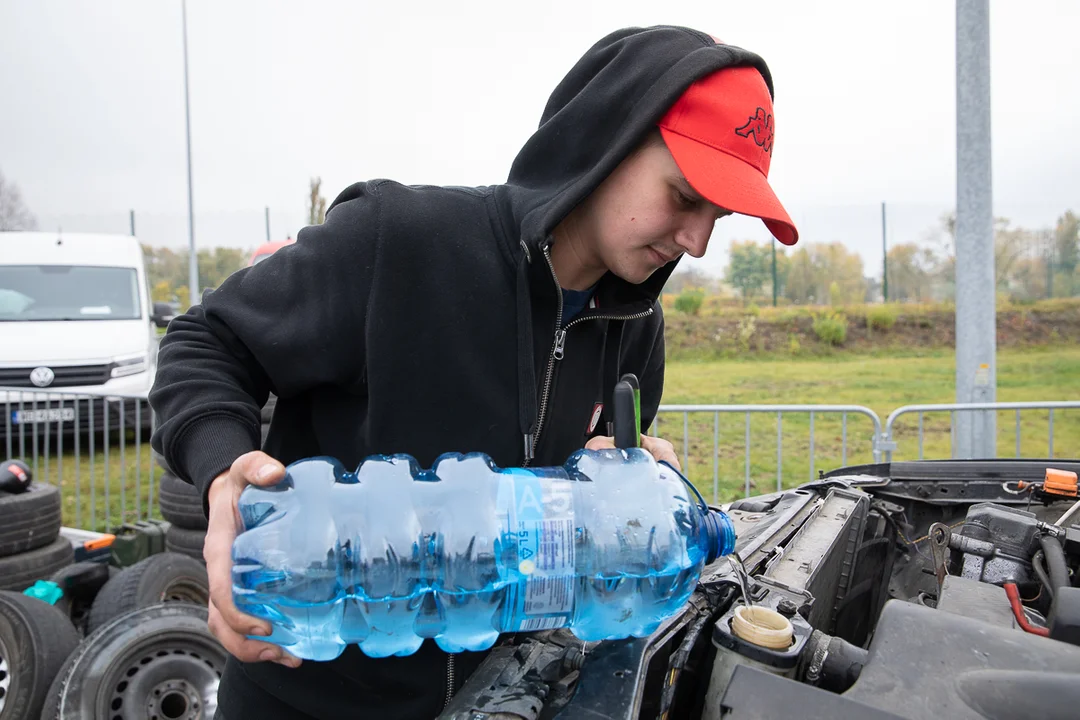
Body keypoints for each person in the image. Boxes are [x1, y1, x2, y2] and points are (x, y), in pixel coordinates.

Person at [149, 23, 798, 720]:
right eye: (683, 195)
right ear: (608, 142)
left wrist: (621, 481)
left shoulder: (637, 330)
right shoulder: (399, 240)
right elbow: (207, 340)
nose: (696, 241)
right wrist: (221, 468)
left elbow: (577, 501)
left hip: (501, 698)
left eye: (718, 215)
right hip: (308, 686)